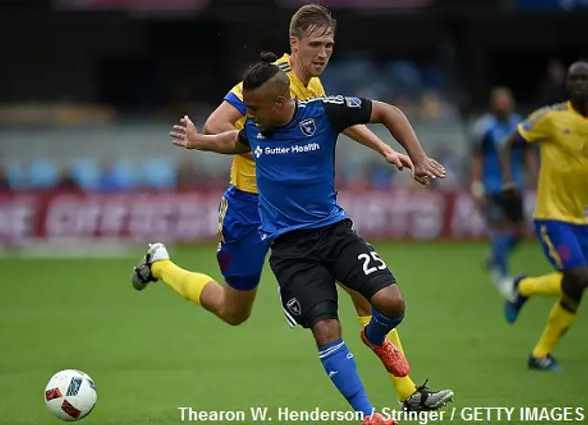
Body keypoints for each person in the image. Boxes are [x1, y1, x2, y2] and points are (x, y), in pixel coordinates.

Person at [132, 4, 454, 412]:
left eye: (329, 46)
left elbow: (334, 121)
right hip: (249, 210)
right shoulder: (268, 83)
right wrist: (276, 157)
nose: (323, 54)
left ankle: (408, 393)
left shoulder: (313, 87)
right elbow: (215, 127)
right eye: (315, 45)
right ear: (294, 44)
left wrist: (385, 148)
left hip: (302, 219)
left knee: (364, 295)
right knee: (234, 312)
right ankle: (161, 264)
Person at [500, 61, 588, 372]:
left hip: (585, 220)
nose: (577, 84)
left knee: (576, 286)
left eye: (583, 79)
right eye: (573, 79)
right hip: (554, 217)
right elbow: (509, 142)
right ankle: (524, 289)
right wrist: (509, 180)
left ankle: (539, 353)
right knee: (578, 277)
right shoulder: (551, 117)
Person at [469, 87, 537, 296]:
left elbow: (527, 154)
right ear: (493, 103)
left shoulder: (520, 125)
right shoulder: (484, 128)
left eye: (506, 100)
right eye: (500, 100)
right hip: (493, 187)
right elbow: (477, 156)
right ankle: (504, 278)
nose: (504, 104)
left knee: (521, 231)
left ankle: (495, 257)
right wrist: (476, 184)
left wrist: (537, 177)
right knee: (501, 228)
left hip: (514, 186)